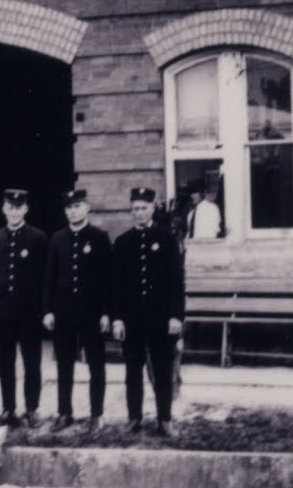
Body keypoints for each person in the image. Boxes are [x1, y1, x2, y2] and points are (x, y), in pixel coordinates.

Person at [111, 186, 184, 436]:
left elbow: (177, 281)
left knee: (162, 370)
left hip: (160, 319)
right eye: (135, 209)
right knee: (133, 371)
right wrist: (117, 318)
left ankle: (165, 419)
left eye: (144, 208)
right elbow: (116, 286)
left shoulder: (166, 239)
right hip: (132, 319)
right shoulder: (122, 243)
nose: (139, 213)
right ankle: (134, 417)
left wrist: (176, 316)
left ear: (152, 208)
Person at [42, 188, 112, 430]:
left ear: (87, 207)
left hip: (91, 313)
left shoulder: (99, 238)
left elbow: (107, 279)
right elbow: (49, 277)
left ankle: (97, 414)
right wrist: (48, 310)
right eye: (69, 208)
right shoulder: (57, 239)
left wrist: (106, 312)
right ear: (65, 211)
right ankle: (64, 412)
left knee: (96, 364)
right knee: (64, 364)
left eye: (78, 206)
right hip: (63, 312)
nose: (73, 211)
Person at [0, 187, 47, 429]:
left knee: (32, 363)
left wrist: (42, 311)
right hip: (2, 314)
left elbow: (44, 277)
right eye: (10, 207)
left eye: (18, 207)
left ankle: (31, 409)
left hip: (29, 314)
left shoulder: (37, 238)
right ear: (3, 209)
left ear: (26, 209)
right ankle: (8, 409)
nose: (14, 212)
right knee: (5, 364)